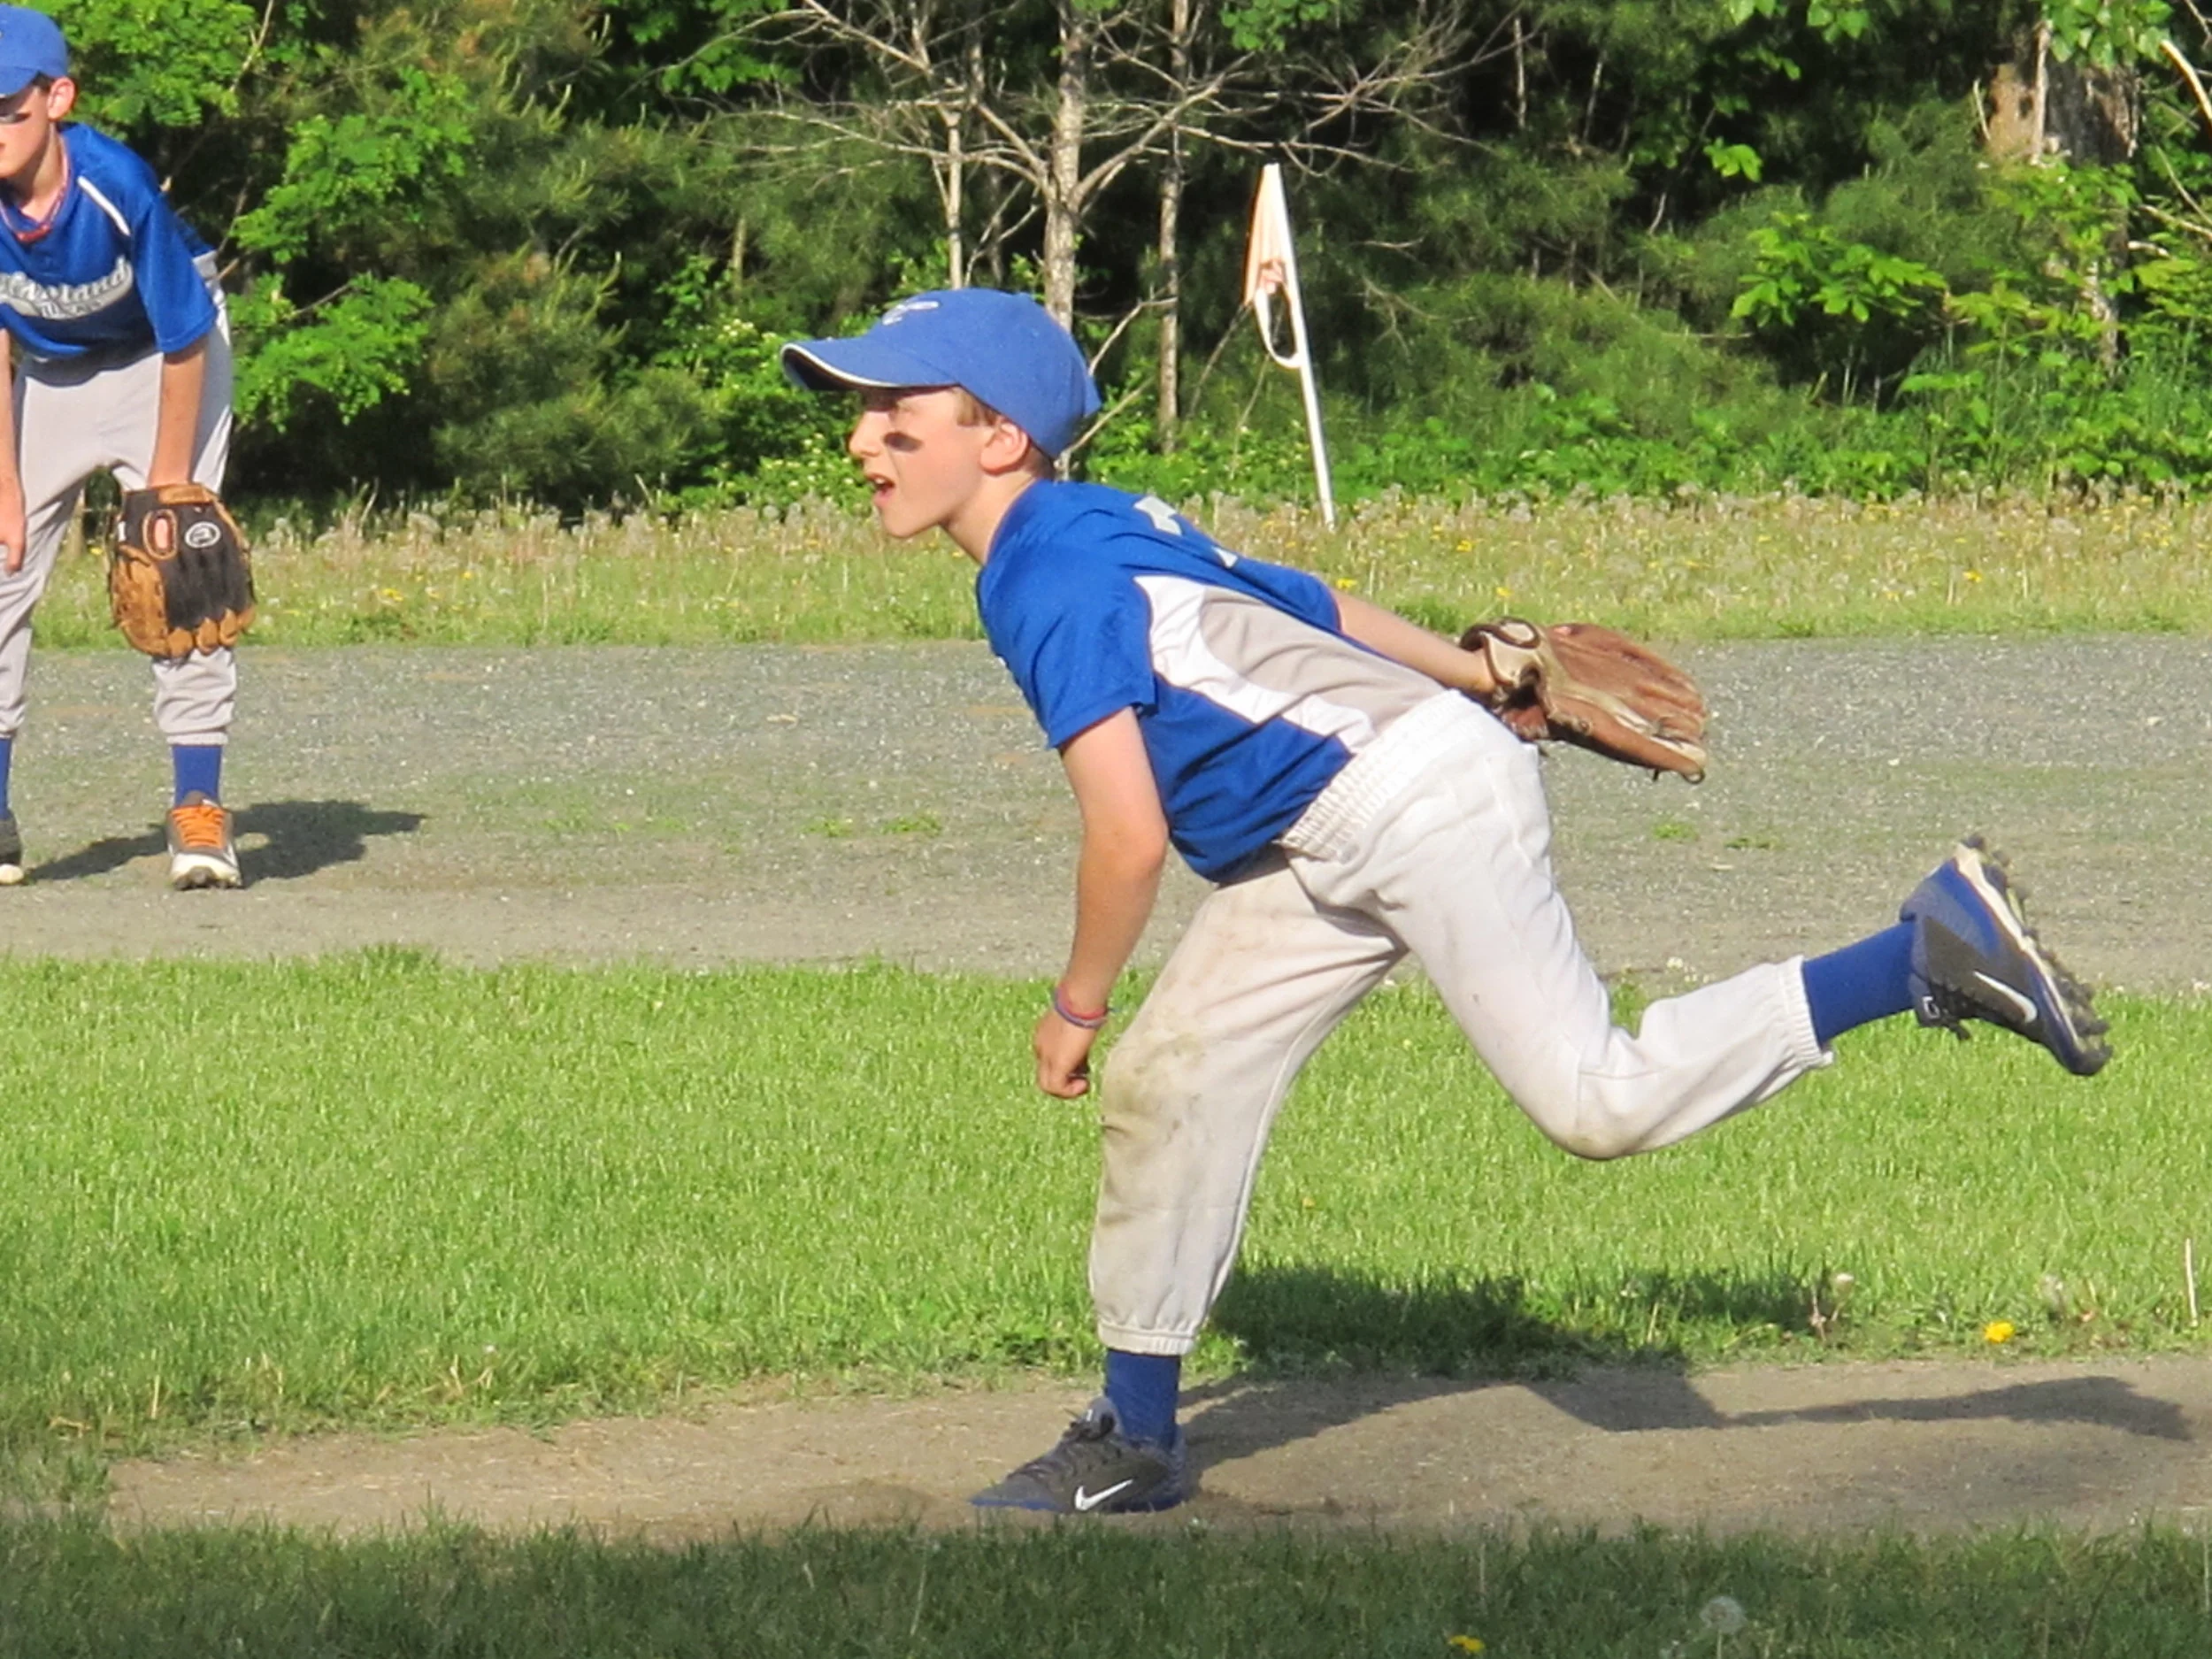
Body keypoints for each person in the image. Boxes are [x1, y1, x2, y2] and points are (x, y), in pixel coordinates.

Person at [781, 288, 2111, 1516]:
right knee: (1170, 1079)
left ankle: (1923, 947)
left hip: (1410, 801)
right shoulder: (1093, 524)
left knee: (1598, 1098)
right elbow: (1306, 601)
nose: (863, 441)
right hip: (1333, 829)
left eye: (895, 416)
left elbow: (1125, 838)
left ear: (999, 436)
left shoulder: (1045, 571)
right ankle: (1134, 1436)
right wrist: (1478, 669)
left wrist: (1072, 1003)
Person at [0, 4, 242, 889]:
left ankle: (199, 812)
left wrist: (168, 490)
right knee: (0, 563)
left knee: (184, 571)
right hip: (55, 372)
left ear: (56, 98)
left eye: (5, 109)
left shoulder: (115, 185)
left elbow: (184, 337)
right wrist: (5, 485)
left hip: (160, 362)